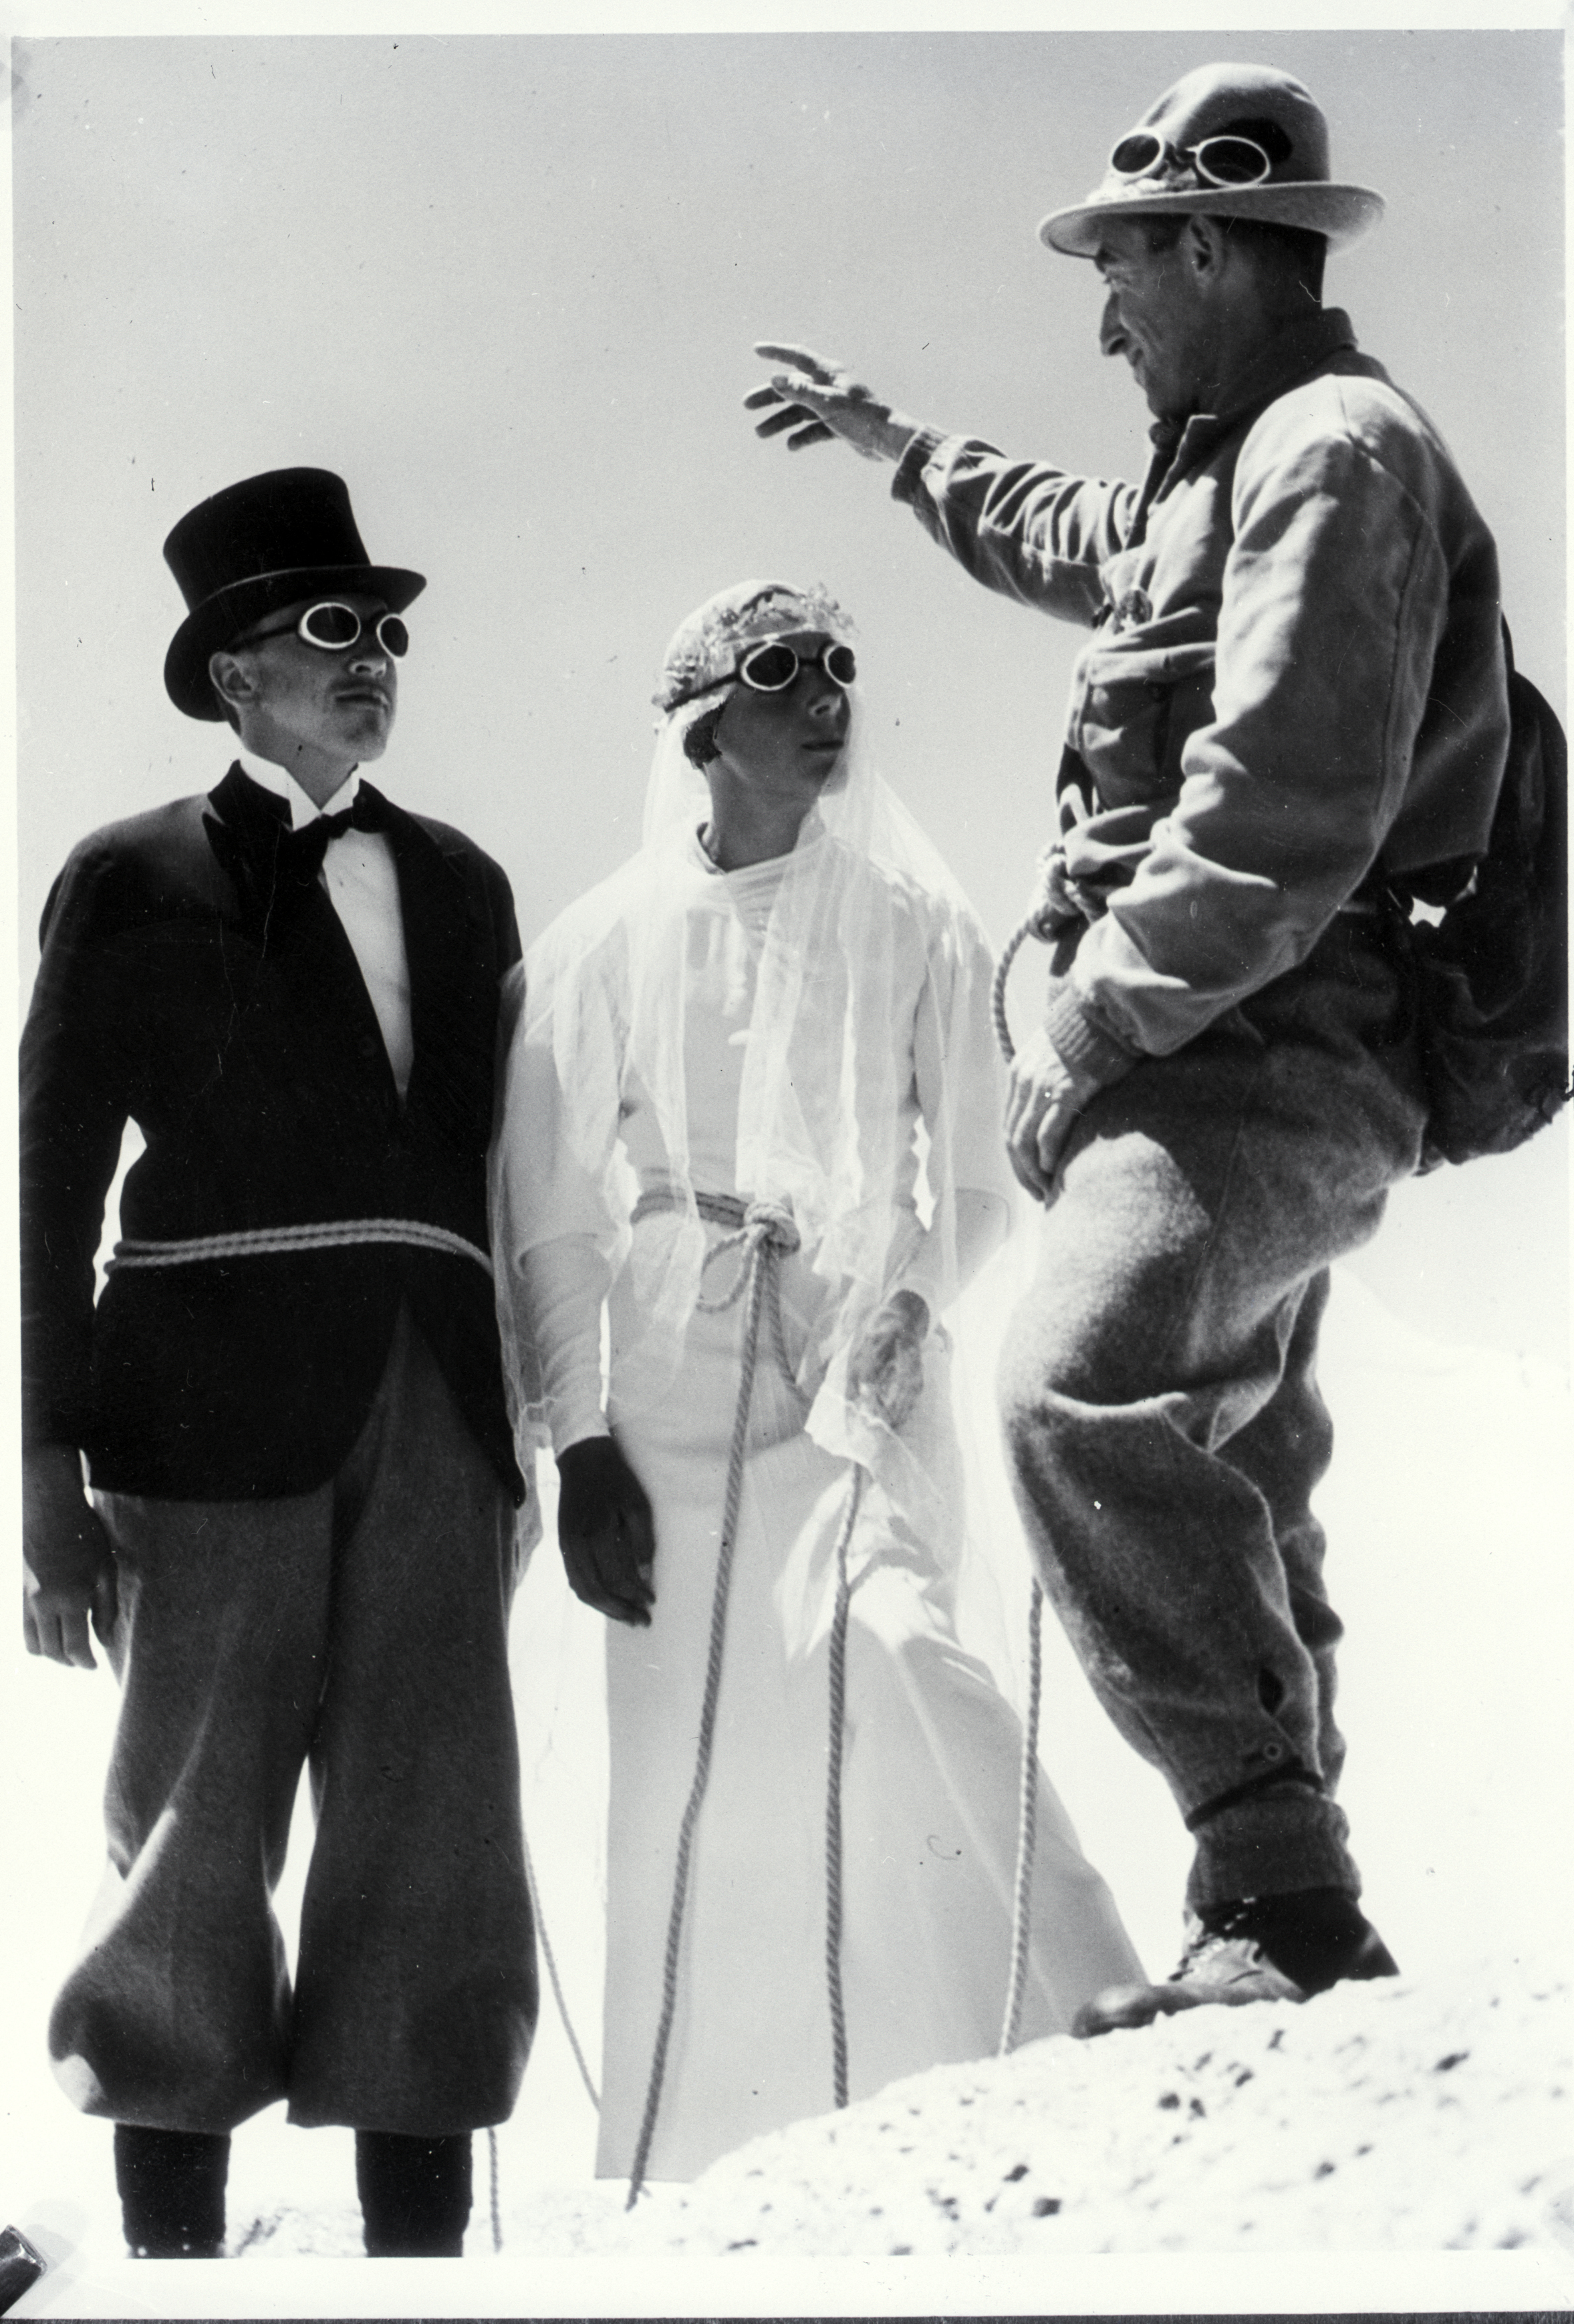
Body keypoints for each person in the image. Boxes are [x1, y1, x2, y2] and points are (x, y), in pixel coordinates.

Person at [745, 63, 1511, 2028]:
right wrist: (895, 447)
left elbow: (1280, 807)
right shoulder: (1220, 466)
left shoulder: (1328, 453)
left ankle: (1274, 1877)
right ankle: (1290, 1916)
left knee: (1074, 1389)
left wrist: (1082, 1022)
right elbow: (1067, 532)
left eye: (1118, 268)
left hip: (1266, 1034)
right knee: (1236, 1450)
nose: (1101, 316)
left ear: (1208, 244)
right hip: (1221, 1034)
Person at [493, 579, 1140, 2182]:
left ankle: (1095, 2026)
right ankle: (701, 2158)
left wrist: (912, 1303)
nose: (826, 695)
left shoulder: (918, 921)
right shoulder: (599, 939)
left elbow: (977, 1180)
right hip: (662, 1374)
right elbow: (554, 1215)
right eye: (780, 671)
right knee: (694, 1763)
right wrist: (580, 1443)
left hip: (860, 1347)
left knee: (900, 1642)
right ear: (701, 724)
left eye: (840, 665)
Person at [19, 468, 537, 2256]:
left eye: (387, 627)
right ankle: (170, 2268)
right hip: (198, 1411)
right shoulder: (128, 872)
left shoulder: (466, 882)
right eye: (332, 627)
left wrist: (520, 1434)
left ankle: (417, 2272)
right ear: (234, 673)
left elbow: (510, 1170)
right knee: (191, 1823)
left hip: (437, 1399)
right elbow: (50, 1176)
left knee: (437, 1828)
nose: (372, 654)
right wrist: (42, 1465)